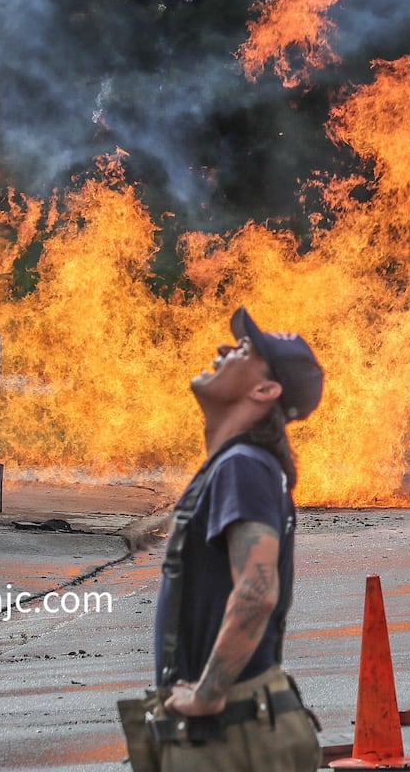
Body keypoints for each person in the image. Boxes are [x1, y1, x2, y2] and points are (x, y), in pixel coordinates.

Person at [150, 306, 324, 771]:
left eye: (244, 349)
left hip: (231, 733)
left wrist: (208, 694)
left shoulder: (243, 465)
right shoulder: (242, 464)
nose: (224, 348)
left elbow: (256, 591)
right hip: (236, 724)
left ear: (265, 390)